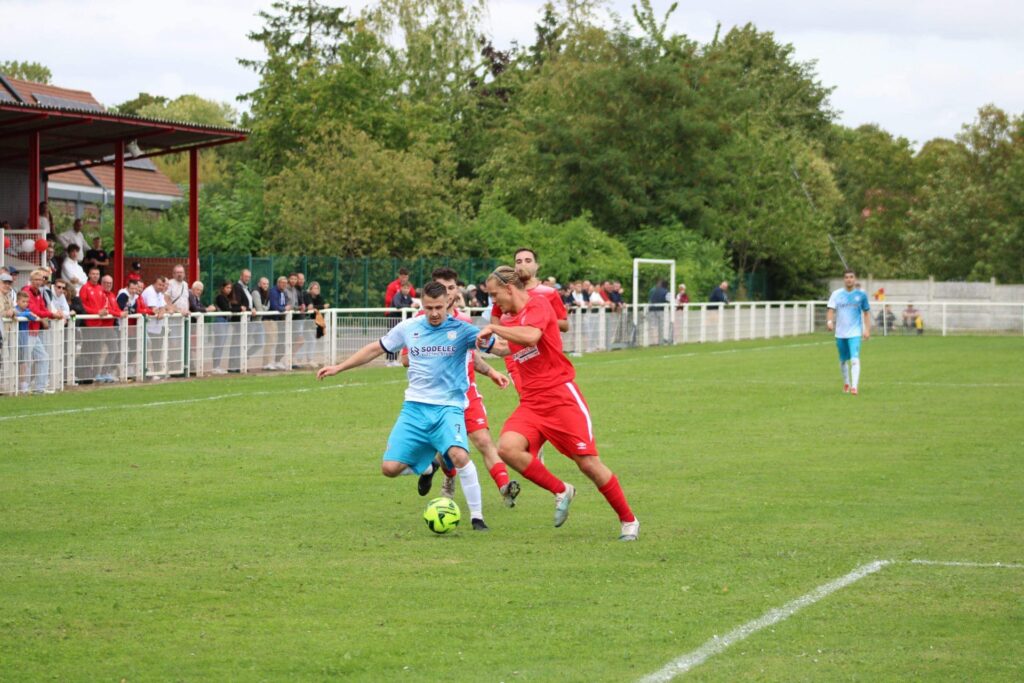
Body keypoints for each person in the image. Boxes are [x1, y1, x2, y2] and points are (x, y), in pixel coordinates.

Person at [477, 266, 639, 541]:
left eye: (494, 295)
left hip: (560, 397)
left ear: (509, 288)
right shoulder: (509, 318)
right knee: (507, 448)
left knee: (588, 463)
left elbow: (531, 336)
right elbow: (510, 348)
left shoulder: (538, 304)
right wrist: (486, 344)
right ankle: (562, 490)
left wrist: (494, 327)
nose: (493, 302)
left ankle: (629, 520)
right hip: (532, 403)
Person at [317, 281, 488, 529]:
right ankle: (428, 467)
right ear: (422, 305)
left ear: (448, 303)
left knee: (459, 455)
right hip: (414, 409)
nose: (434, 313)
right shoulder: (409, 327)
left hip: (448, 407)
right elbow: (375, 349)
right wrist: (339, 367)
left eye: (439, 307)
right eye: (429, 308)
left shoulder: (463, 330)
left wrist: (504, 337)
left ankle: (477, 518)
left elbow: (499, 347)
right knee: (389, 468)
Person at [402, 267, 519, 516]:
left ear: (456, 291)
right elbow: (404, 358)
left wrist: (491, 372)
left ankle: (504, 486)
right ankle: (445, 474)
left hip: (467, 392)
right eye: (442, 288)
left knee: (484, 441)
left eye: (452, 288)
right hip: (436, 397)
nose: (448, 293)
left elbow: (471, 353)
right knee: (448, 451)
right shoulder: (419, 322)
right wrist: (434, 356)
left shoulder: (464, 322)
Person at [826, 268, 871, 395]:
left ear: (855, 279)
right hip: (840, 333)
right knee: (843, 360)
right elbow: (830, 309)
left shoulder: (861, 295)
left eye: (851, 277)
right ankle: (847, 383)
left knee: (854, 358)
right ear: (843, 279)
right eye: (846, 277)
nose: (849, 279)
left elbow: (866, 313)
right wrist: (829, 322)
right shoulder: (836, 294)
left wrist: (867, 329)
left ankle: (854, 387)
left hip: (855, 332)